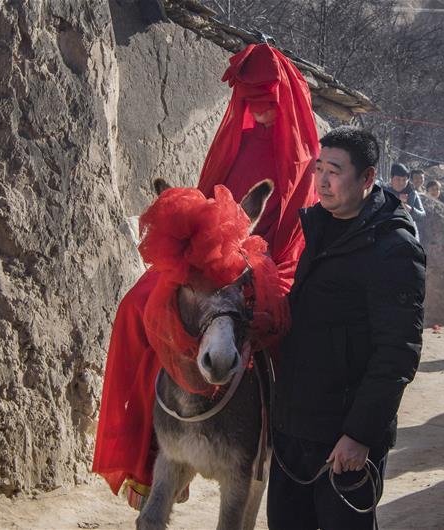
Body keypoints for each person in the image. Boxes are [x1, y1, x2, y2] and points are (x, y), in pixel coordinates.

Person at [92, 43, 319, 508]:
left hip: (271, 258)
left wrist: (252, 261)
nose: (258, 109)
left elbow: (294, 226)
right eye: (250, 99)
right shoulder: (233, 142)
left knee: (285, 331)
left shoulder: (300, 154)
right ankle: (149, 453)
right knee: (139, 306)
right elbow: (206, 207)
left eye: (267, 100)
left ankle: (277, 442)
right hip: (213, 257)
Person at [268, 127, 425, 529]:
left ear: (367, 177)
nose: (322, 180)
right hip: (294, 431)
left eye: (334, 171)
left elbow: (397, 353)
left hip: (344, 441)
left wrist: (360, 435)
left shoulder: (394, 249)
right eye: (319, 168)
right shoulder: (320, 228)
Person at [385, 162, 426, 240]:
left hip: (408, 234)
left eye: (404, 180)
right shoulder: (384, 191)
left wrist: (410, 210)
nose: (401, 183)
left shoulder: (412, 193)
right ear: (391, 178)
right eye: (398, 179)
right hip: (388, 234)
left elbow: (422, 215)